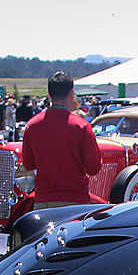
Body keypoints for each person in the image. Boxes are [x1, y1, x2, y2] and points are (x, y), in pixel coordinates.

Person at [21, 71, 101, 206]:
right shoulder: (81, 126)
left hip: (44, 200)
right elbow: (93, 168)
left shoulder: (32, 126)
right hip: (75, 201)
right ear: (71, 94)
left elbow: (29, 164)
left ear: (49, 94)